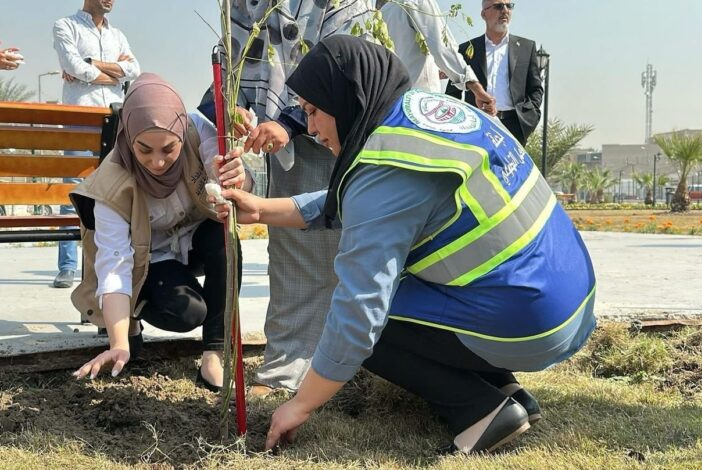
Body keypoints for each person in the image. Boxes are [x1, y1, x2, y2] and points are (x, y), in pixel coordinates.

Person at [212, 36, 597, 454]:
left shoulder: (386, 171)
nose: (311, 128)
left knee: (368, 321)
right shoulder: (421, 115)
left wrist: (300, 404)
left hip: (531, 323)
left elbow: (358, 317)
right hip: (569, 303)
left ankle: (482, 410)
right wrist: (262, 209)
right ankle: (505, 390)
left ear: (349, 98)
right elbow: (355, 198)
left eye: (314, 111)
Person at [199, 0, 373, 398]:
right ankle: (287, 367)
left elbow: (345, 68)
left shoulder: (342, 4)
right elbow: (230, 66)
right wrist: (235, 107)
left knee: (350, 252)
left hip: (339, 129)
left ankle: (343, 367)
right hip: (286, 145)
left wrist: (292, 121)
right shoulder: (243, 4)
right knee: (295, 255)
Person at [69, 73, 252, 391]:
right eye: (144, 150)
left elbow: (236, 189)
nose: (157, 162)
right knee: (187, 313)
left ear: (182, 132)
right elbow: (114, 266)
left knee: (225, 237)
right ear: (127, 136)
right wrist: (118, 341)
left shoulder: (197, 130)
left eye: (169, 149)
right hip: (149, 257)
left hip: (194, 238)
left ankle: (214, 354)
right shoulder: (111, 182)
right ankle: (134, 313)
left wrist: (238, 178)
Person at [52, 0, 140, 289]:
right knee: (72, 193)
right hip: (80, 122)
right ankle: (67, 267)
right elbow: (72, 65)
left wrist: (91, 65)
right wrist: (112, 72)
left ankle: (105, 264)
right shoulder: (66, 26)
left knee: (112, 195)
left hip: (113, 121)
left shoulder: (118, 35)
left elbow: (134, 70)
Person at [445, 0, 543, 146]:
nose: (505, 10)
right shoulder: (468, 49)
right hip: (476, 125)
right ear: (484, 14)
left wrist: (529, 119)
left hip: (514, 127)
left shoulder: (526, 48)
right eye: (498, 6)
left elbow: (535, 89)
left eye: (509, 6)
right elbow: (453, 92)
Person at [376, 0, 494, 109]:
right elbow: (442, 48)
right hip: (421, 105)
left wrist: (432, 70)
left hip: (389, 106)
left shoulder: (378, 11)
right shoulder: (417, 2)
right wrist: (476, 88)